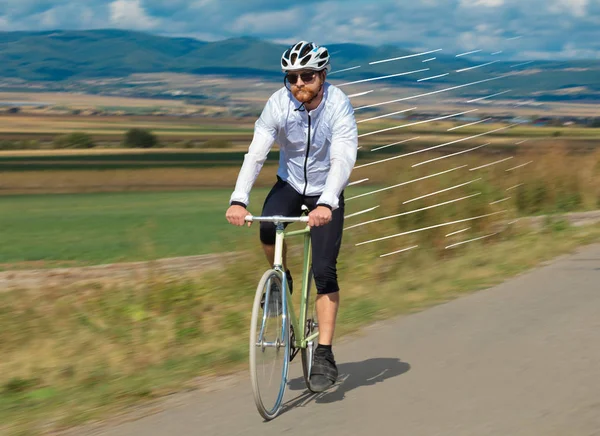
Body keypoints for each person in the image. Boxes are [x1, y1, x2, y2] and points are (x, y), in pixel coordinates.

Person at [225, 40, 358, 392]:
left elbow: (343, 158)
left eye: (307, 76)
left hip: (325, 188)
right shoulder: (278, 104)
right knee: (268, 229)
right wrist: (239, 199)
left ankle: (325, 354)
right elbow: (256, 153)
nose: (298, 83)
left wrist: (327, 203)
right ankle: (281, 285)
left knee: (324, 271)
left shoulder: (338, 105)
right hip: (290, 184)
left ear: (323, 76)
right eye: (291, 77)